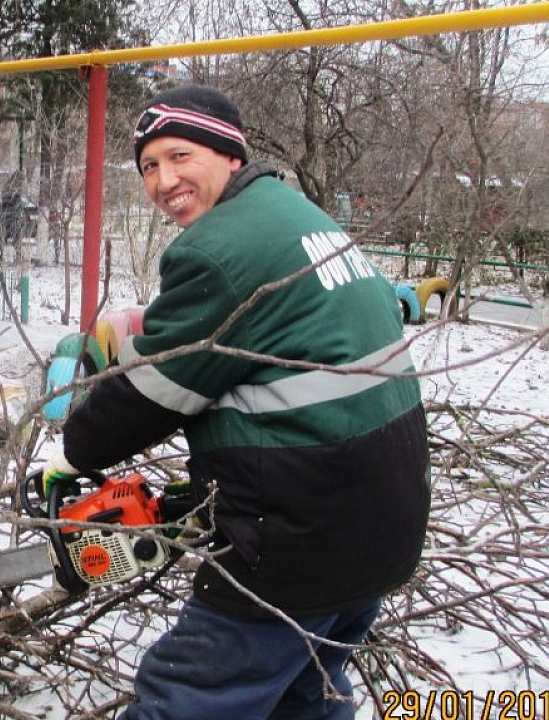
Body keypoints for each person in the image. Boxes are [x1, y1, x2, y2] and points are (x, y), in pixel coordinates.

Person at [42, 85, 430, 719]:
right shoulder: (300, 215)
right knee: (307, 694)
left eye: (179, 156)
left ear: (228, 153)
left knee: (184, 700)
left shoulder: (219, 251)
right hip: (383, 521)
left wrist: (79, 437)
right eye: (148, 167)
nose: (164, 181)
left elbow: (144, 400)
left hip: (299, 543)